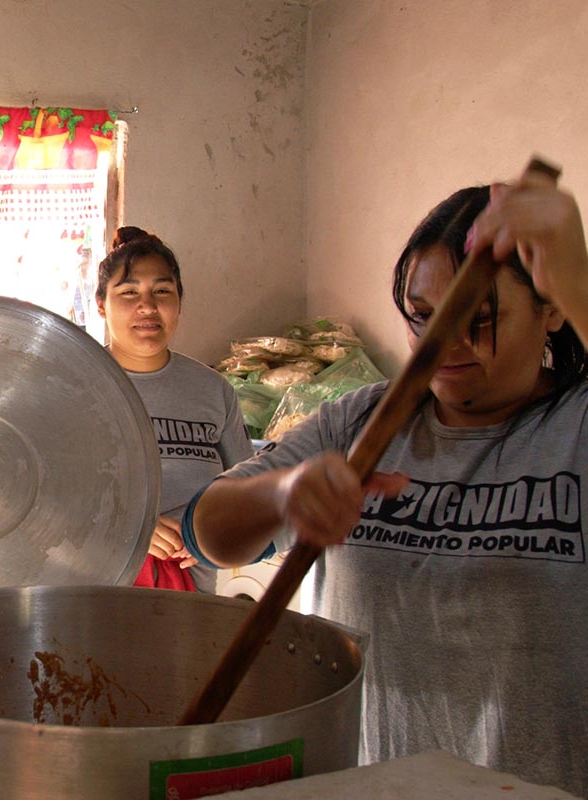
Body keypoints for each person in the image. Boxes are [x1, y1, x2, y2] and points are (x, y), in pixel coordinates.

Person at [184, 171, 588, 797]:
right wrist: (283, 493)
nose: (443, 343)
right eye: (423, 316)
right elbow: (210, 533)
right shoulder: (363, 420)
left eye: (476, 317)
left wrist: (580, 279)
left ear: (552, 307)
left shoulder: (576, 427)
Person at [95, 226, 254, 592]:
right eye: (129, 292)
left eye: (162, 291)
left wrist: (212, 536)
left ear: (179, 301)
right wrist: (130, 528)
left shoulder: (213, 391)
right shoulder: (76, 386)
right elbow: (43, 504)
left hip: (192, 610)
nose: (147, 306)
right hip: (96, 604)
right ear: (102, 303)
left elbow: (248, 495)